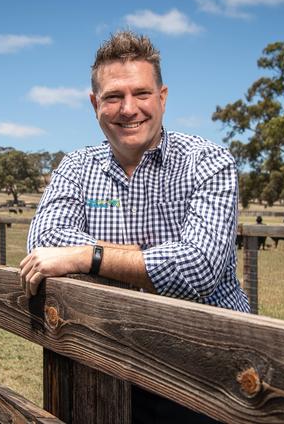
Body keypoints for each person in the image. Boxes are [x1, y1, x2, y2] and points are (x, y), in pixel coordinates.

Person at [20, 31, 249, 422]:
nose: (129, 109)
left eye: (141, 94)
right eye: (113, 97)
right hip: (106, 359)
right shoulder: (77, 166)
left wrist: (86, 255)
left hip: (206, 366)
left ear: (162, 97)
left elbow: (199, 268)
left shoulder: (208, 162)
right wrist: (158, 257)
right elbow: (45, 241)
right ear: (95, 104)